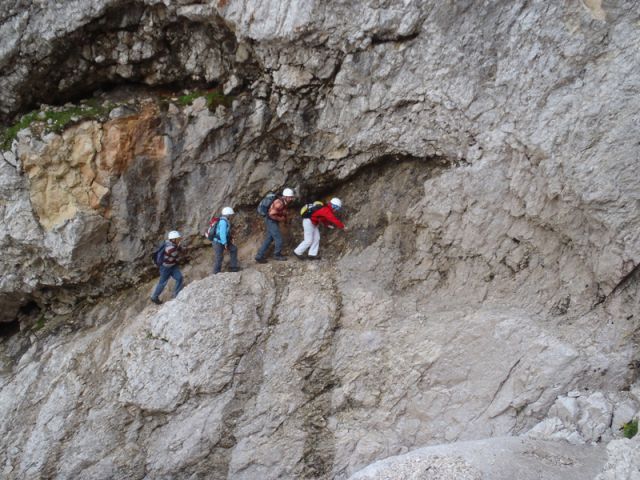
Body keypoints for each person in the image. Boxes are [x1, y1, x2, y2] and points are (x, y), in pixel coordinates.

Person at [255, 187, 295, 263]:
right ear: (286, 196)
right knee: (278, 238)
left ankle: (259, 256)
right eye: (290, 197)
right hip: (271, 221)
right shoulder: (279, 203)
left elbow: (279, 212)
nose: (291, 199)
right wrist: (280, 219)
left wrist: (284, 215)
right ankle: (277, 255)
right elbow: (271, 214)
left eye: (291, 197)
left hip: (272, 221)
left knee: (269, 239)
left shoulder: (284, 202)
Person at [151, 230, 185, 305]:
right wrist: (179, 247)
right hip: (165, 268)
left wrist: (178, 246)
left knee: (179, 278)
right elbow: (177, 255)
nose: (179, 240)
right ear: (173, 239)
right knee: (162, 283)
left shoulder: (169, 243)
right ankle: (154, 296)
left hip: (172, 265)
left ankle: (177, 294)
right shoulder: (170, 248)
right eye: (178, 239)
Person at [213, 206, 240, 274]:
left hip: (223, 241)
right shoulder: (223, 222)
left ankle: (233, 267)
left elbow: (226, 232)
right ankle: (216, 273)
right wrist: (225, 243)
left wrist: (230, 239)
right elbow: (222, 234)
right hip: (218, 242)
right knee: (219, 257)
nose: (231, 216)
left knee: (234, 249)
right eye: (231, 215)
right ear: (228, 214)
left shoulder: (225, 221)